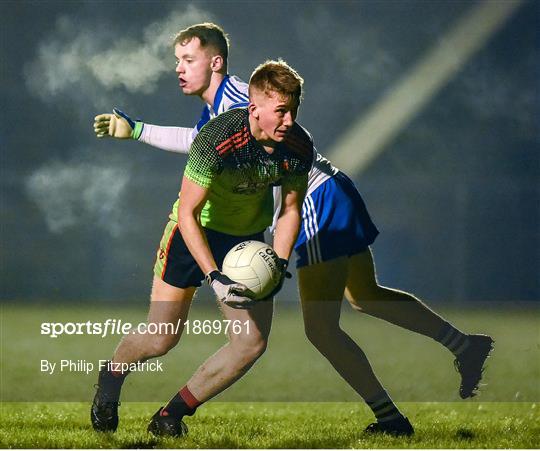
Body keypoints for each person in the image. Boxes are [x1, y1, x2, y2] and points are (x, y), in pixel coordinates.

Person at [94, 23, 494, 437]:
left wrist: (276, 261)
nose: (178, 68)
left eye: (187, 59)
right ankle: (457, 351)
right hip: (295, 204)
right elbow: (205, 146)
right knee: (362, 299)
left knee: (314, 328)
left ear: (216, 63)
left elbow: (282, 194)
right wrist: (137, 130)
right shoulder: (223, 117)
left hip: (315, 202)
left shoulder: (244, 100)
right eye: (177, 60)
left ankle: (393, 418)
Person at [91, 58, 313, 437]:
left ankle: (170, 416)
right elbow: (190, 213)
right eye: (280, 111)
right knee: (162, 338)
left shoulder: (297, 145)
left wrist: (277, 261)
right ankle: (110, 378)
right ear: (254, 107)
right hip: (191, 233)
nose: (289, 120)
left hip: (244, 241)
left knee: (250, 344)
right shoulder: (217, 138)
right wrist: (214, 276)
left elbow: (290, 209)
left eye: (293, 110)